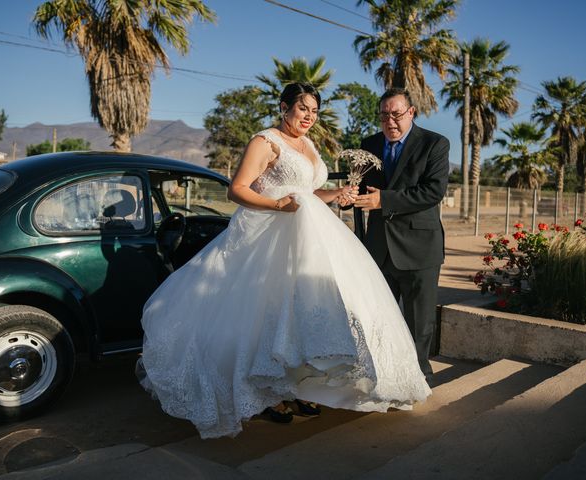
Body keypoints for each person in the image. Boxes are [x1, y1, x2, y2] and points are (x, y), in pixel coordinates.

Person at [137, 82, 431, 439]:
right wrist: (277, 205)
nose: (309, 116)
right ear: (283, 107)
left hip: (311, 239)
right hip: (269, 239)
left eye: (314, 111)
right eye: (302, 108)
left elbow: (306, 194)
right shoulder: (265, 141)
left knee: (301, 315)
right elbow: (238, 189)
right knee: (265, 313)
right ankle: (266, 393)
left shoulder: (307, 144)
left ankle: (296, 388)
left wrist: (335, 193)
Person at [354, 87, 450, 382]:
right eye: (384, 115)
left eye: (396, 114)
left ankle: (418, 378)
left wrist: (384, 200)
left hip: (419, 248)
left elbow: (433, 192)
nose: (390, 121)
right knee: (378, 319)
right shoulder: (367, 144)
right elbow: (361, 188)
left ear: (411, 113)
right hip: (379, 247)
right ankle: (382, 375)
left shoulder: (435, 144)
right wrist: (349, 194)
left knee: (418, 322)